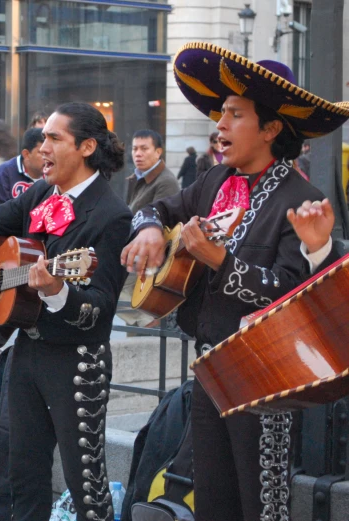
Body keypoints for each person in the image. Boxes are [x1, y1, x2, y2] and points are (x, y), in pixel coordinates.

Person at [121, 43, 349, 521]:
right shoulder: (213, 182)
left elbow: (284, 295)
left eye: (235, 115)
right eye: (221, 113)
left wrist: (218, 260)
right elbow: (157, 208)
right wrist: (146, 230)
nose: (219, 125)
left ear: (270, 129)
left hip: (264, 381)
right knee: (212, 499)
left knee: (260, 504)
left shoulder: (301, 198)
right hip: (208, 368)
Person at [0, 102, 131, 521]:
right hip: (25, 354)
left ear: (87, 147)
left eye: (53, 138)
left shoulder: (113, 215)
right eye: (42, 137)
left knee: (86, 485)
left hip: (77, 361)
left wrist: (55, 290)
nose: (41, 146)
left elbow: (98, 311)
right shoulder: (39, 194)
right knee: (23, 477)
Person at [118, 129, 181, 328]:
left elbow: (163, 223)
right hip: (132, 249)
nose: (138, 154)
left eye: (144, 149)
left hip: (146, 255)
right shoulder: (136, 177)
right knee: (124, 299)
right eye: (135, 149)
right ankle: (144, 329)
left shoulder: (165, 182)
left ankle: (152, 330)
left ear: (158, 152)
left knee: (122, 296)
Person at [0, 127, 45, 208]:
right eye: (42, 153)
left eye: (49, 152)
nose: (47, 157)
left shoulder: (54, 173)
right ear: (26, 154)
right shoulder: (5, 172)